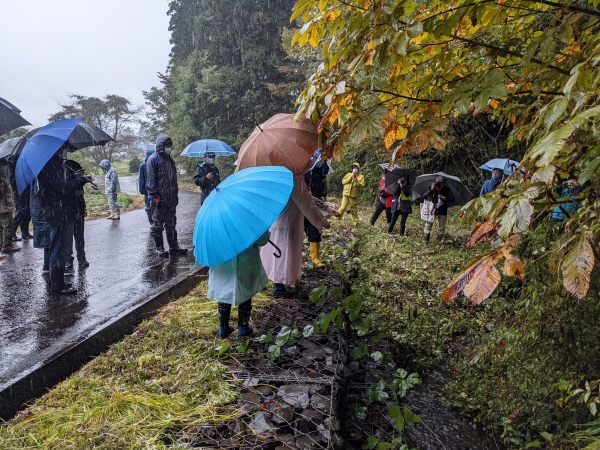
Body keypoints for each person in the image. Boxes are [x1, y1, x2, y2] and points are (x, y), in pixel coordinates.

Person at [30, 145, 93, 294]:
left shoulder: (53, 164)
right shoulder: (50, 166)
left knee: (59, 248)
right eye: (63, 148)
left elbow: (60, 185)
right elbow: (62, 188)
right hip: (58, 213)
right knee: (59, 249)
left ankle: (57, 283)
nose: (65, 150)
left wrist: (75, 177)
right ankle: (57, 286)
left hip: (58, 212)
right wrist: (80, 181)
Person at [263, 159, 330, 297]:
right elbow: (307, 204)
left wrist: (328, 209)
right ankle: (278, 287)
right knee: (282, 255)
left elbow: (309, 198)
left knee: (277, 254)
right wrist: (323, 222)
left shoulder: (289, 178)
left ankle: (272, 284)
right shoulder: (295, 181)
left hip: (282, 223)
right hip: (286, 224)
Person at [208, 230, 270, 337]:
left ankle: (223, 327)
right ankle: (243, 327)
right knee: (246, 293)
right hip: (246, 263)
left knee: (223, 294)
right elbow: (263, 240)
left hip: (222, 263)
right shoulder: (248, 216)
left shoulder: (215, 222)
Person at [146, 133, 188, 257]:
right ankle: (160, 248)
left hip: (171, 199)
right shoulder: (153, 160)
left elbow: (173, 179)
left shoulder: (171, 160)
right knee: (157, 225)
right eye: (166, 146)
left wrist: (175, 194)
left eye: (170, 146)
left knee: (171, 224)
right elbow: (151, 180)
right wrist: (155, 196)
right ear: (161, 146)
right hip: (158, 199)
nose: (168, 148)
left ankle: (174, 247)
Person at [304, 148, 331, 268]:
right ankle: (301, 253)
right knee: (302, 226)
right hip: (304, 202)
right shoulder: (306, 170)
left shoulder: (322, 171)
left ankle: (315, 257)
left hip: (316, 203)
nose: (321, 161)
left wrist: (323, 195)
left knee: (315, 227)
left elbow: (323, 184)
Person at [64, 158, 90, 268]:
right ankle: (69, 259)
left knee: (79, 237)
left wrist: (82, 180)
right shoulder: (66, 180)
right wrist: (80, 180)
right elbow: (68, 189)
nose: (81, 174)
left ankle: (81, 258)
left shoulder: (76, 180)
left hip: (79, 211)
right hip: (68, 213)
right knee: (68, 237)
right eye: (79, 172)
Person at [422, 176, 455, 243]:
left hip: (442, 209)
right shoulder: (432, 188)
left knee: (441, 227)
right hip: (432, 209)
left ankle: (439, 241)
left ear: (444, 182)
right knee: (428, 225)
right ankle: (425, 242)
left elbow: (452, 199)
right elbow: (424, 196)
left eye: (441, 183)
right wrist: (431, 189)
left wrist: (444, 197)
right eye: (438, 183)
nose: (440, 184)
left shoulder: (447, 189)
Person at [0, 159, 20, 255]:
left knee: (2, 226)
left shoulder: (3, 178)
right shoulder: (1, 180)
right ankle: (7, 245)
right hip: (4, 207)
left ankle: (2, 243)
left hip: (3, 207)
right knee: (7, 226)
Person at [138, 148, 155, 225]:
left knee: (149, 206)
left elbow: (141, 178)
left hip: (147, 190)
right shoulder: (156, 162)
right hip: (155, 189)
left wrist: (141, 189)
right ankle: (156, 223)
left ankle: (152, 223)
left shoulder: (143, 165)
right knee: (155, 206)